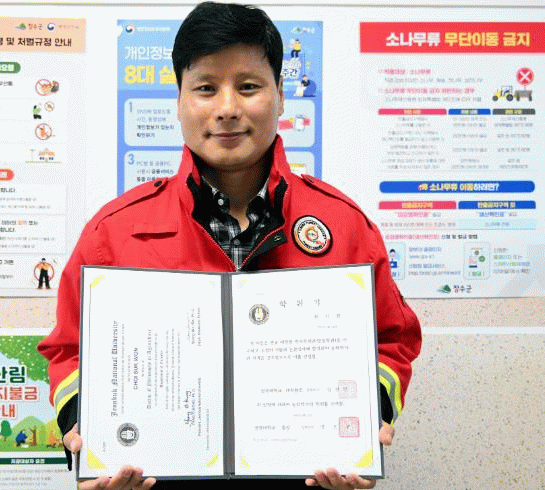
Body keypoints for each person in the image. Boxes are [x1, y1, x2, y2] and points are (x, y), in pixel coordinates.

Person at [37, 3, 421, 490]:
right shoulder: (115, 232)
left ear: (280, 96)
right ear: (179, 101)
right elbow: (69, 351)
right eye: (205, 88)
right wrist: (85, 435)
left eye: (248, 86)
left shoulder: (344, 226)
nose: (227, 108)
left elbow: (393, 341)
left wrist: (368, 420)